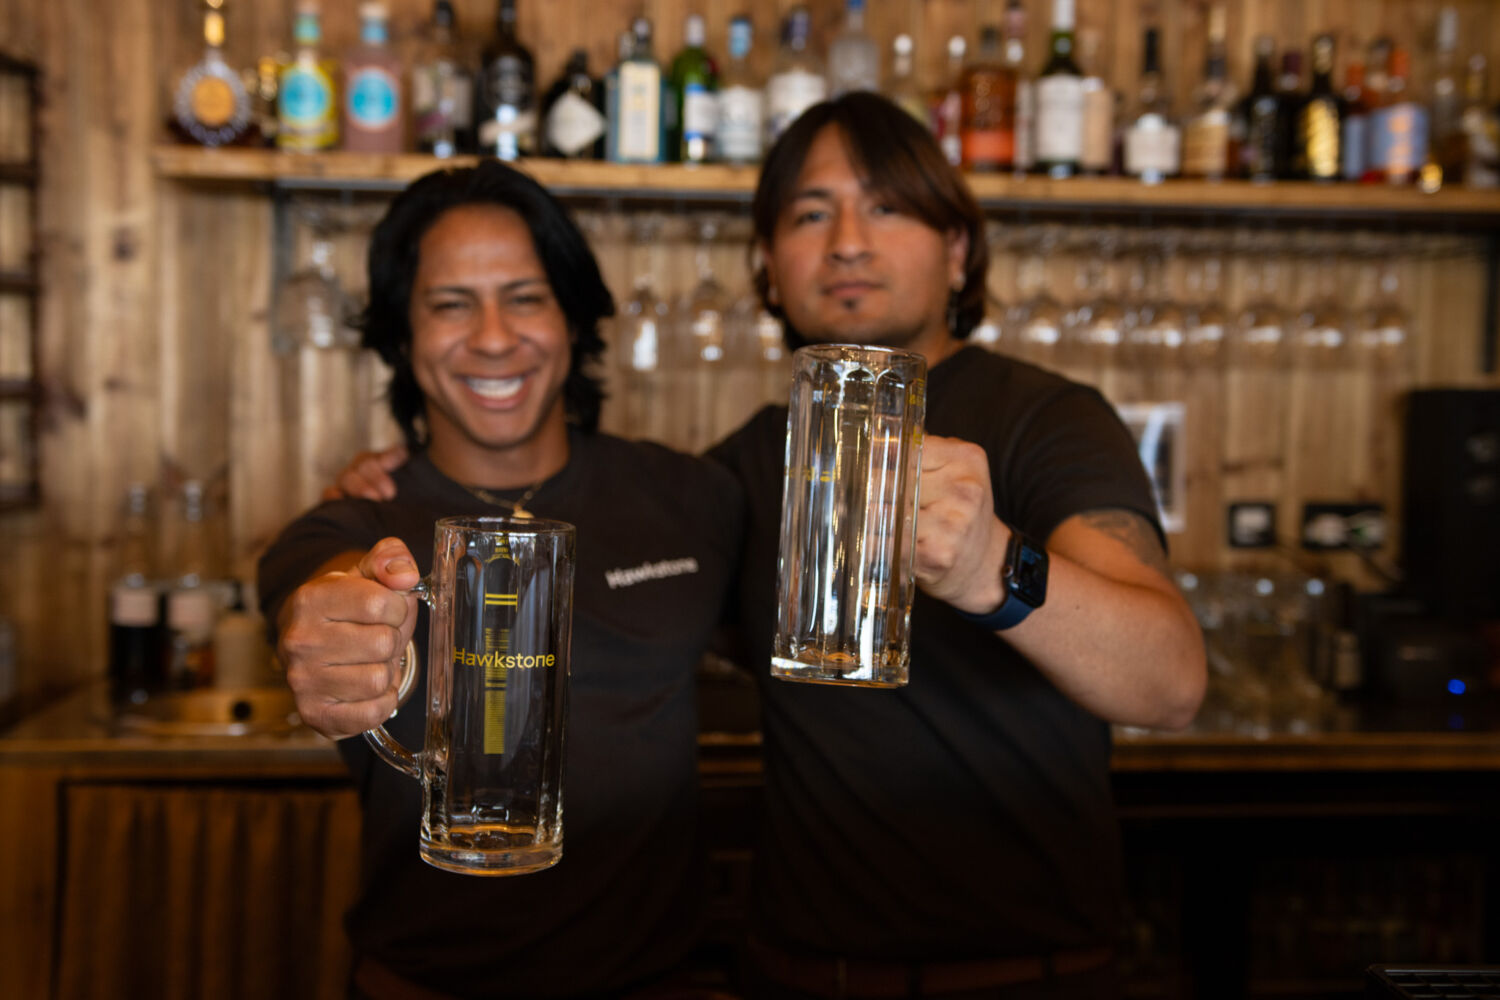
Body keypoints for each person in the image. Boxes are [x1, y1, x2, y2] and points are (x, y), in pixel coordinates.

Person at [330, 95, 1207, 999]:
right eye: (811, 214)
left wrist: (993, 566)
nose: (848, 243)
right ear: (767, 265)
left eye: (887, 207)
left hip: (1030, 974)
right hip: (795, 970)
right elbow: (602, 569)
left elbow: (1171, 682)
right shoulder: (740, 469)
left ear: (957, 251)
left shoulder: (1049, 421)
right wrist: (400, 482)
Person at [257, 160, 744, 999]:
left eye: (524, 297)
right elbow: (320, 591)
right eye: (451, 304)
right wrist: (339, 622)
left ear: (573, 317)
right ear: (402, 337)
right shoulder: (346, 528)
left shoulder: (693, 498)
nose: (492, 337)